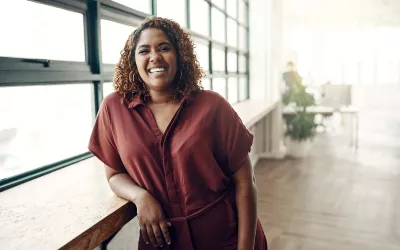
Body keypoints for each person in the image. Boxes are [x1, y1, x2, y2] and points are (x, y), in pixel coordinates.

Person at [88, 16, 268, 250]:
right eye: (144, 51)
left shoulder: (212, 106)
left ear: (179, 55)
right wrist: (140, 196)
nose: (155, 57)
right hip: (160, 242)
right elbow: (114, 175)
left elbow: (245, 182)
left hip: (225, 237)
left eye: (164, 47)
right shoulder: (114, 108)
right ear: (133, 61)